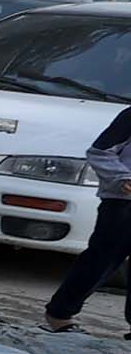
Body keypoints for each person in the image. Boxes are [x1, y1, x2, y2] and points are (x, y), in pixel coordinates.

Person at [42, 105, 131, 334]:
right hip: (123, 202)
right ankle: (60, 313)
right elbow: (99, 152)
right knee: (101, 259)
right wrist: (122, 179)